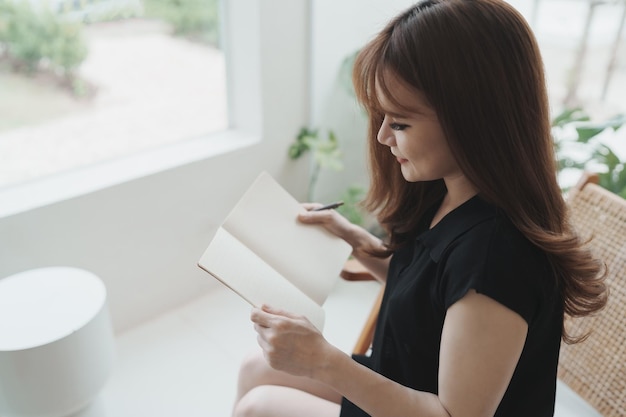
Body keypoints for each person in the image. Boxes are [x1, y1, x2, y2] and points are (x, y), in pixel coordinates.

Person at [231, 1, 608, 416]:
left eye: (400, 123)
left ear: (474, 119)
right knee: (255, 368)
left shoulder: (496, 256)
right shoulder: (447, 193)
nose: (381, 137)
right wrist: (358, 242)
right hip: (407, 385)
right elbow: (434, 294)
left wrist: (324, 361)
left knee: (261, 406)